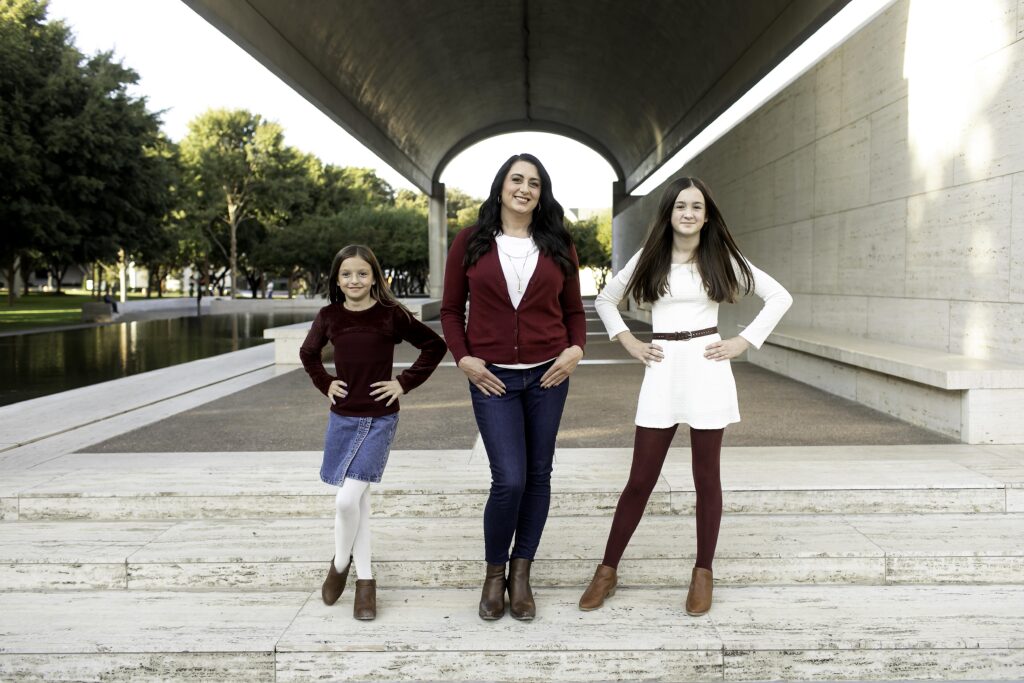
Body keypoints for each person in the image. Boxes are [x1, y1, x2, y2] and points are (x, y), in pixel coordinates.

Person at [579, 176, 792, 616]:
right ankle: (607, 571)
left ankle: (702, 574)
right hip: (661, 369)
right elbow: (605, 300)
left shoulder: (722, 257)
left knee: (706, 478)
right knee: (640, 479)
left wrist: (743, 342)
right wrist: (629, 341)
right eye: (680, 206)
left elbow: (778, 296)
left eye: (696, 206)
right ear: (669, 213)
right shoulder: (650, 256)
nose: (688, 213)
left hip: (707, 367)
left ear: (707, 214)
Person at [441, 153, 586, 621]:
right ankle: (493, 574)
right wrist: (463, 357)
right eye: (516, 179)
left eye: (535, 183)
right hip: (492, 378)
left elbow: (575, 311)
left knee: (539, 475)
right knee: (509, 478)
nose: (524, 188)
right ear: (500, 186)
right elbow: (448, 309)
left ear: (541, 194)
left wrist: (575, 350)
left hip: (548, 375)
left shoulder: (558, 241)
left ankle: (521, 574)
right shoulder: (470, 241)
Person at [300, 244, 447, 621]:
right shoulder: (329, 316)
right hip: (343, 419)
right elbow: (308, 353)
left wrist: (403, 383)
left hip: (380, 419)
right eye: (346, 274)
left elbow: (434, 345)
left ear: (375, 278)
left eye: (362, 274)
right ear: (337, 279)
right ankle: (365, 581)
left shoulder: (390, 315)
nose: (354, 280)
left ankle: (339, 562)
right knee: (359, 503)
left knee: (347, 501)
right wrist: (325, 383)